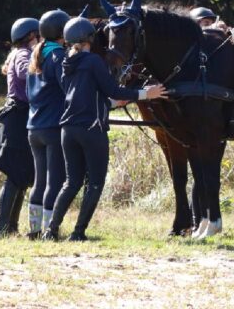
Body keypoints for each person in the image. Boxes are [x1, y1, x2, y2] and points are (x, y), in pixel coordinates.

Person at [42, 17, 166, 241]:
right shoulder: (94, 62)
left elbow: (80, 94)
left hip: (67, 129)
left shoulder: (64, 64)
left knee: (71, 183)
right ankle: (78, 232)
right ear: (90, 38)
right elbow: (114, 90)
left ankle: (51, 230)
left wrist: (106, 103)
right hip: (92, 129)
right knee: (95, 182)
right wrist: (146, 93)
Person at [0, 17, 38, 238]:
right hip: (18, 119)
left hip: (19, 118)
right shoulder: (24, 56)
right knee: (15, 176)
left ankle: (11, 227)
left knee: (21, 177)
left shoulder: (19, 54)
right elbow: (30, 78)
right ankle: (0, 228)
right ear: (31, 37)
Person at [25, 9, 69, 239]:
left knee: (39, 181)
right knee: (55, 181)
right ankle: (50, 231)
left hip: (34, 127)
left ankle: (34, 230)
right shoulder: (59, 57)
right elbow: (68, 90)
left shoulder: (36, 55)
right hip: (53, 127)